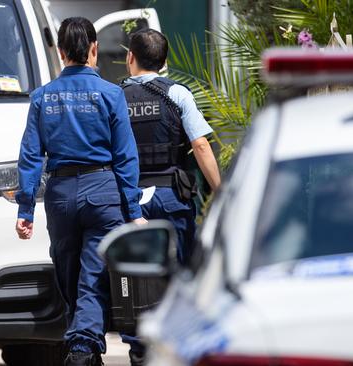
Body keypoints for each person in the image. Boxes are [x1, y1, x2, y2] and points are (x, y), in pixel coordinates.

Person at [15, 17, 146, 366]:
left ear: (60, 53)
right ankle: (83, 347)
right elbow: (125, 156)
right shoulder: (111, 94)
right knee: (92, 277)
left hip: (59, 196)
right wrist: (133, 209)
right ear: (93, 49)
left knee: (68, 274)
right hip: (103, 192)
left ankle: (82, 344)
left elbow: (30, 156)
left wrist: (25, 210)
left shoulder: (42, 98)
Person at [119, 28, 222, 365]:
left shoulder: (114, 96)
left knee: (132, 275)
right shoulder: (177, 93)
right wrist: (221, 191)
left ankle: (138, 349)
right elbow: (201, 144)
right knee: (179, 277)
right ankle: (178, 345)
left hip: (131, 199)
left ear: (130, 58)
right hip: (171, 196)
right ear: (164, 62)